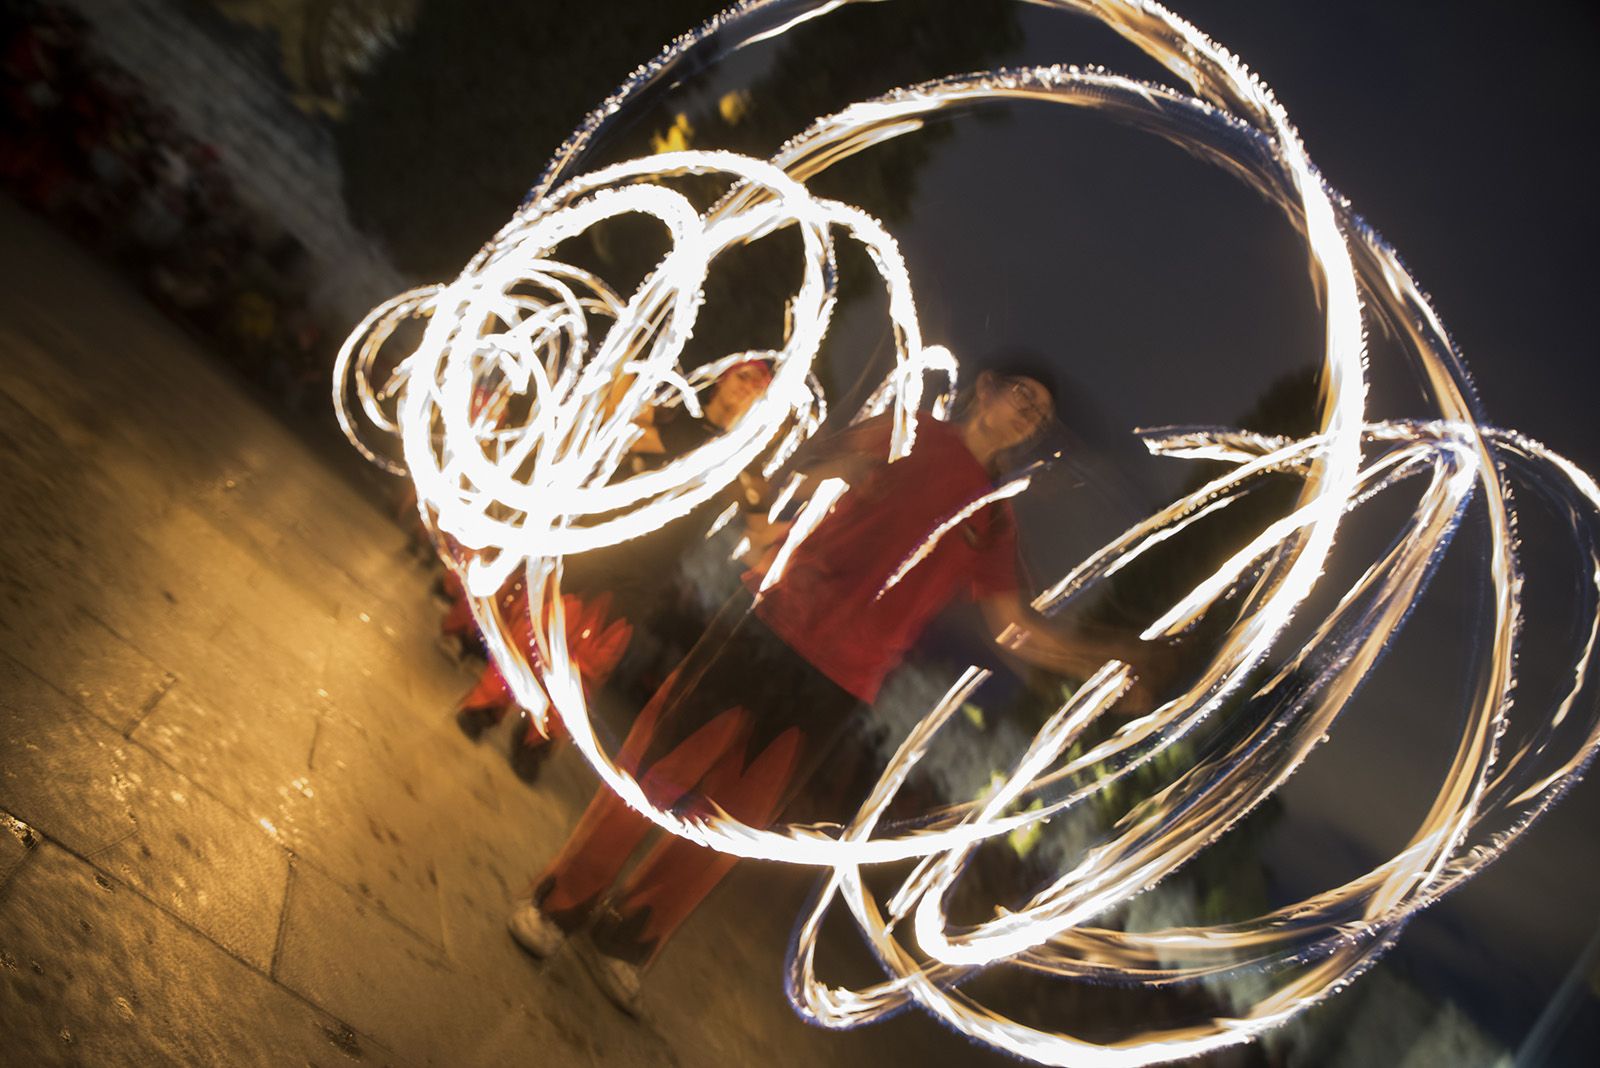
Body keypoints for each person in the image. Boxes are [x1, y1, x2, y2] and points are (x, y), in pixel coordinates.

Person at [508, 358, 1166, 1010]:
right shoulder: (908, 430)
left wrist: (1107, 659)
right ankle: (560, 902)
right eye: (1022, 394)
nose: (1028, 415)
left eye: (1040, 413)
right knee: (657, 771)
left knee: (731, 824)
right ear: (985, 388)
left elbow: (1014, 629)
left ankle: (628, 937)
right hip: (770, 626)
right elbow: (804, 468)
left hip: (840, 684)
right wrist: (809, 494)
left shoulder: (994, 518)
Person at [450, 358, 775, 778]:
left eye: (759, 388)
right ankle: (485, 708)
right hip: (601, 541)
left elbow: (762, 531)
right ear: (722, 379)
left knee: (589, 662)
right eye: (743, 378)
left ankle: (536, 744)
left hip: (648, 569)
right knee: (541, 630)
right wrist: (624, 370)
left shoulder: (741, 461)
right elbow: (622, 427)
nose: (747, 390)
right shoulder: (676, 420)